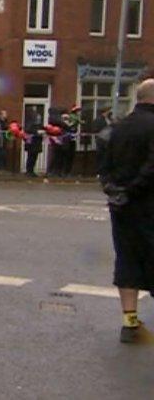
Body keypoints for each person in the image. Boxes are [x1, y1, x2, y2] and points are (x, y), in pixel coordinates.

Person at [98, 78, 154, 343]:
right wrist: (133, 189)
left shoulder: (118, 127)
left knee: (127, 259)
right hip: (148, 203)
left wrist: (114, 190)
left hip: (121, 207)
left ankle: (130, 323)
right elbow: (152, 168)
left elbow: (104, 164)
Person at [24, 107, 45, 177]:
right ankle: (29, 171)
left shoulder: (39, 125)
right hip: (32, 143)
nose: (39, 118)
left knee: (34, 157)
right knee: (31, 157)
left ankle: (31, 170)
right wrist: (37, 132)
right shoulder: (30, 124)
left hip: (37, 143)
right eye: (38, 117)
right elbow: (28, 131)